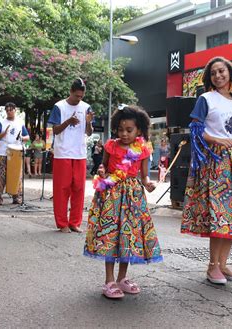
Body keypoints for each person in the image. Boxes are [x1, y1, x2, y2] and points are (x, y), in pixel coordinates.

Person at [181, 56, 232, 285]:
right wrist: (216, 141)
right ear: (210, 77)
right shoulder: (206, 99)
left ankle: (223, 265)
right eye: (213, 73)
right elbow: (196, 131)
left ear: (230, 73)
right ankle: (212, 266)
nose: (218, 76)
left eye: (221, 71)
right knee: (218, 214)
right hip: (215, 162)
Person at [84, 106, 162, 299]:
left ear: (139, 131)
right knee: (111, 235)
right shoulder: (111, 145)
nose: (124, 134)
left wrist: (149, 184)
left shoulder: (142, 149)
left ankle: (122, 278)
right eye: (121, 130)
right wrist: (102, 171)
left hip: (133, 198)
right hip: (111, 196)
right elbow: (103, 164)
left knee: (127, 237)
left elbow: (144, 177)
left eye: (129, 130)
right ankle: (109, 280)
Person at [48, 78, 93, 233]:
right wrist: (68, 121)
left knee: (79, 189)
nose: (79, 99)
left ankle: (75, 222)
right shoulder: (59, 107)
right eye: (76, 96)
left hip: (80, 153)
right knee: (62, 189)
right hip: (62, 153)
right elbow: (55, 130)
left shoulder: (86, 107)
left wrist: (88, 123)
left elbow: (89, 132)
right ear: (71, 92)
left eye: (81, 97)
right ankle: (62, 223)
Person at [0, 102, 29, 205]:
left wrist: (21, 138)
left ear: (15, 110)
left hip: (16, 151)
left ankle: (16, 197)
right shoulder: (1, 122)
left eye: (11, 110)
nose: (9, 112)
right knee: (1, 176)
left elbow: (27, 137)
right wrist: (3, 134)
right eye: (7, 110)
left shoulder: (20, 122)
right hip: (3, 152)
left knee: (16, 175)